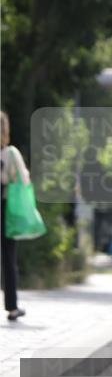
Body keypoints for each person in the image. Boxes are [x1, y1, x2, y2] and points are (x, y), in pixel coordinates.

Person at [1, 111, 27, 321]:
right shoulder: (10, 153)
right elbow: (24, 180)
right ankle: (12, 307)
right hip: (6, 208)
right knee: (8, 259)